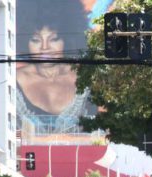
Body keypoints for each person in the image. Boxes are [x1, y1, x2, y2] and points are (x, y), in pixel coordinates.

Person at [16, 0, 95, 134]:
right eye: (35, 40)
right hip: (22, 156)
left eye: (54, 39)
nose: (45, 48)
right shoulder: (11, 82)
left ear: (67, 40)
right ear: (25, 42)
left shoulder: (87, 80)